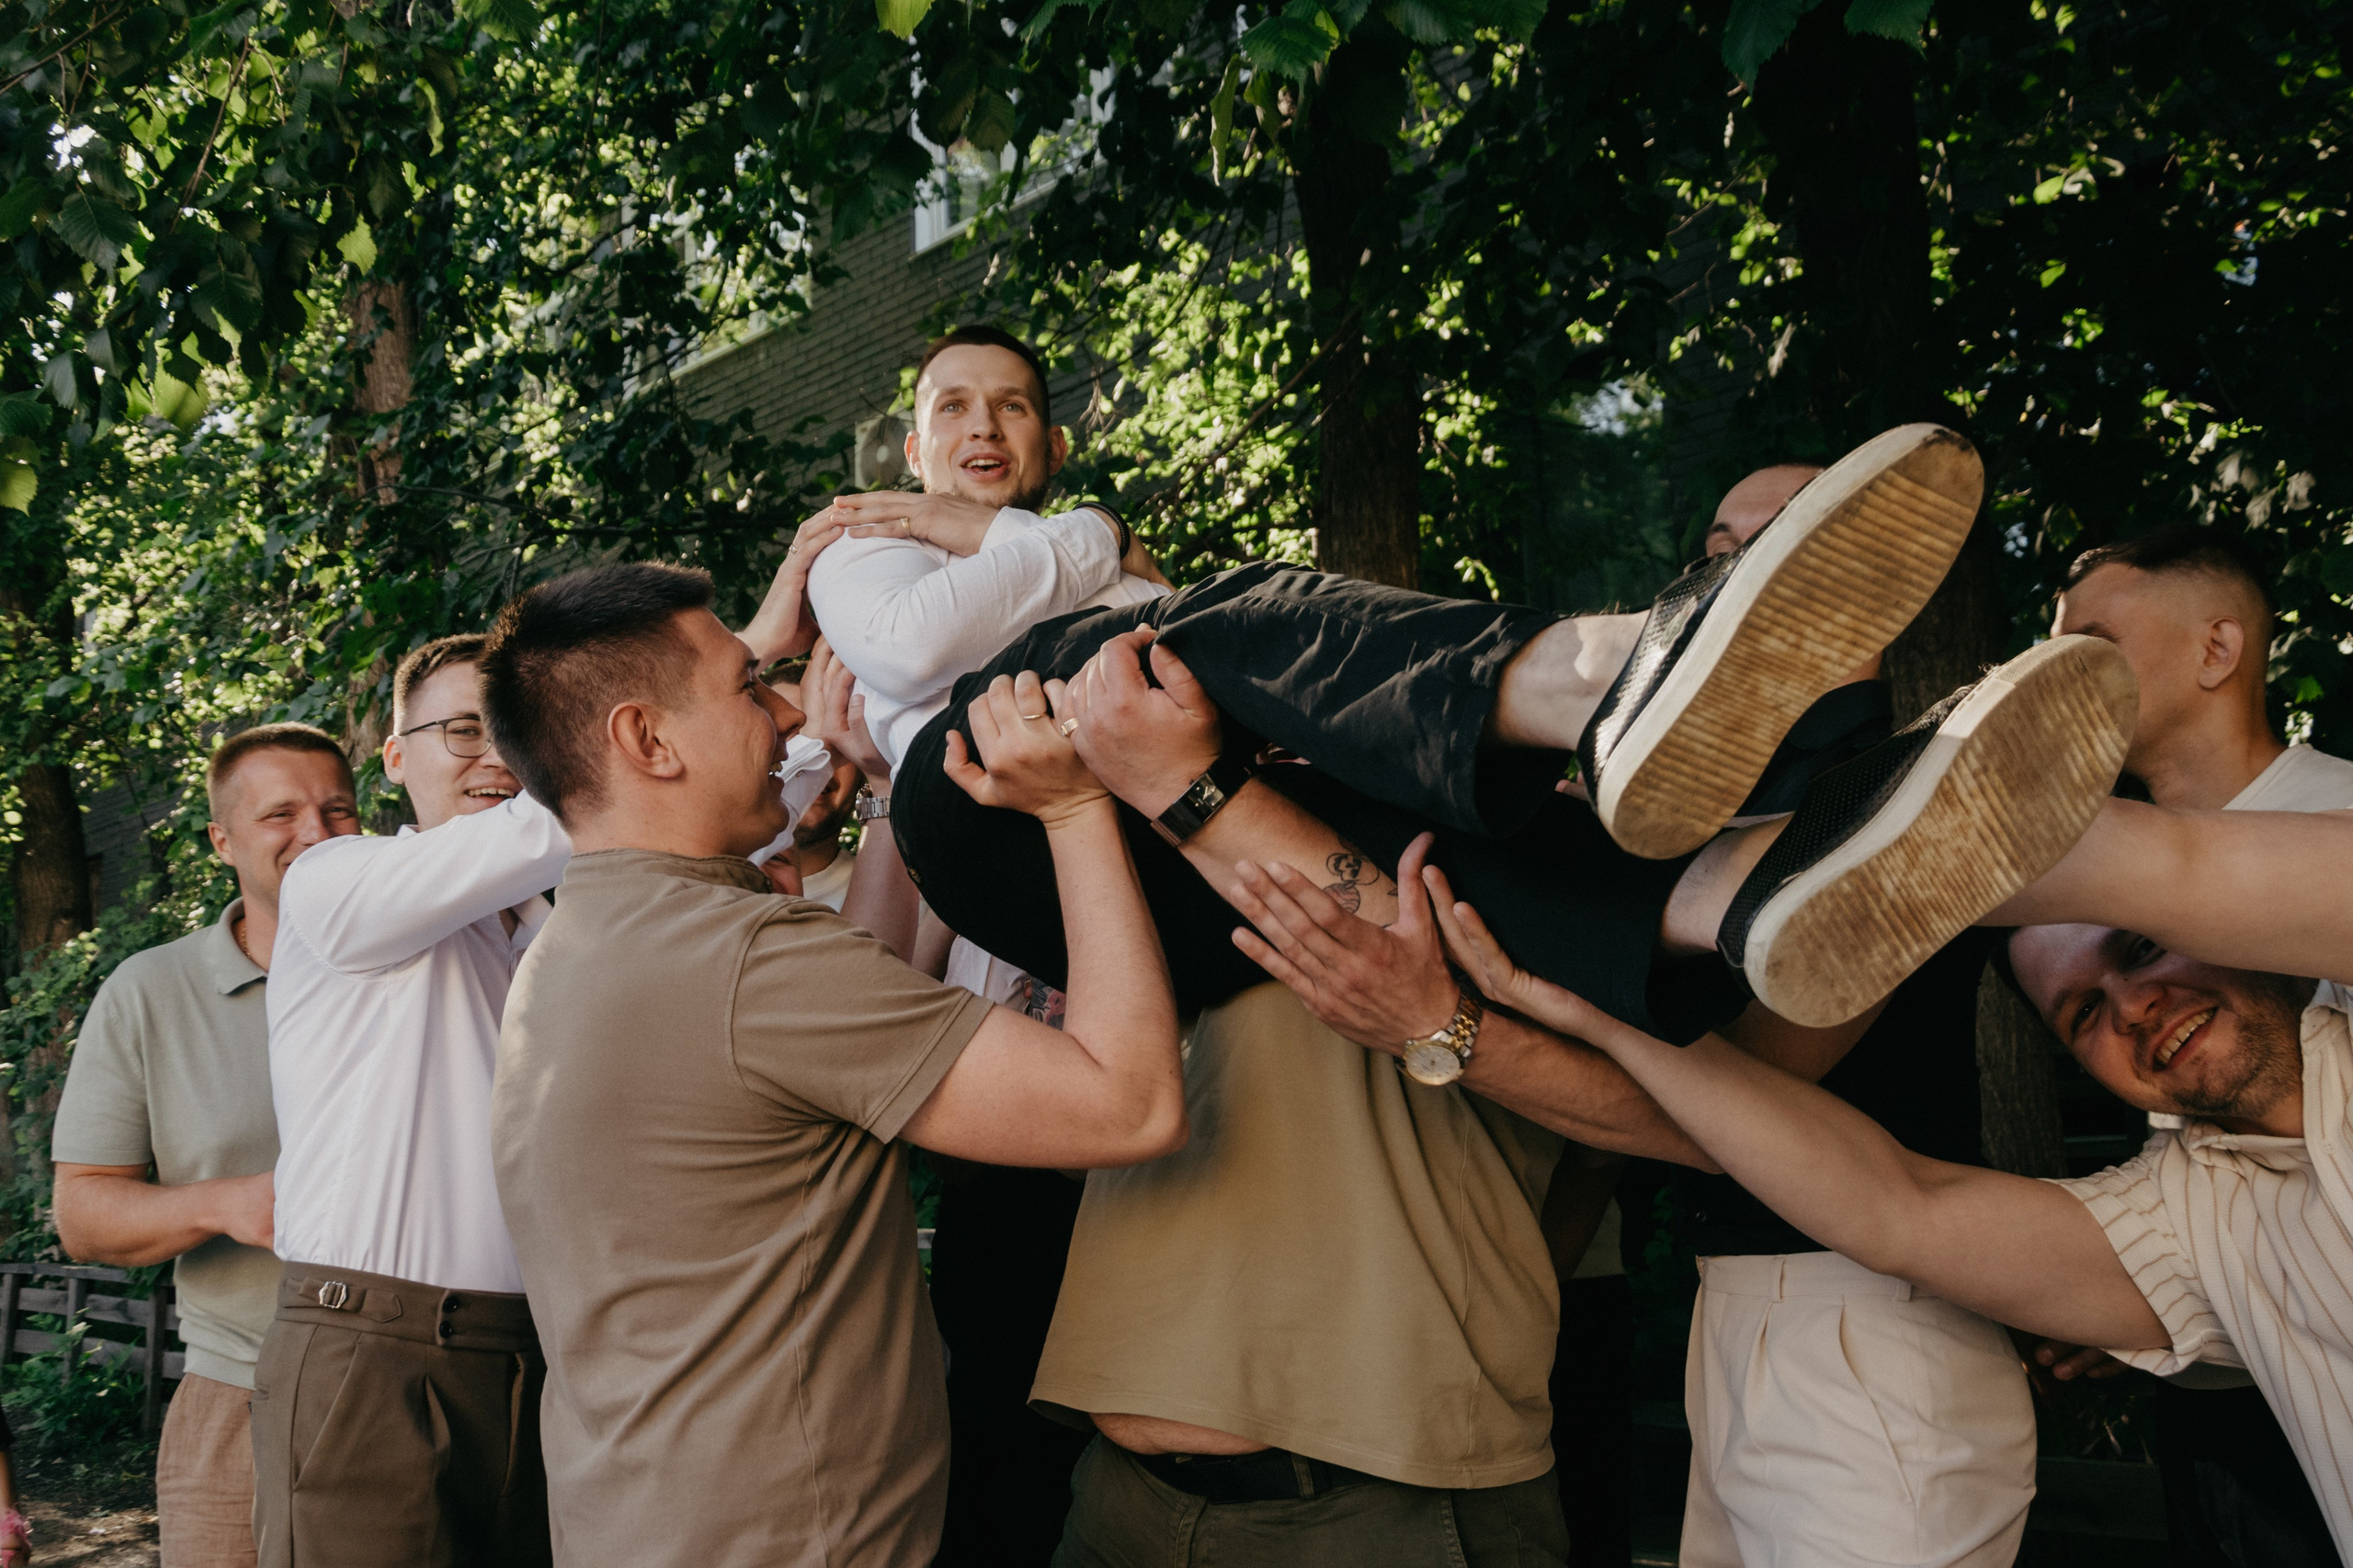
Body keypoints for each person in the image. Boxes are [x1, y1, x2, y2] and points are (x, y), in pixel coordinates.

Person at [1409, 793, 2353, 1561]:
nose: (2136, 1007)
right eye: (2081, 1015)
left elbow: (2188, 858)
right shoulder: (2188, 1217)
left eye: (2139, 948)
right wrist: (1598, 1016)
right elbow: (1896, 1202)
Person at [478, 562, 1184, 1568]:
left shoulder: (586, 940)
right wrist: (1073, 812)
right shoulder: (742, 961)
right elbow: (1130, 1105)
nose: (782, 711)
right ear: (647, 738)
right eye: (744, 684)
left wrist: (892, 791)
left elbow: (861, 1008)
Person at [1665, 466, 2030, 1568]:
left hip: (1865, 1323)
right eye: (1713, 545)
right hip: (1728, 1306)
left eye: (1764, 540)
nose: (1720, 571)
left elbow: (1764, 1071)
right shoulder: (1704, 799)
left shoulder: (1911, 781)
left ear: (1873, 576)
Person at [2042, 523, 2353, 1565]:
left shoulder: (2339, 815)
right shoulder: (2099, 896)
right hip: (2236, 1394)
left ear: (2217, 651)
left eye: (2094, 639)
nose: (2056, 670)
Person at [51, 724, 358, 1568]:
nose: (320, 835)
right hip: (238, 1396)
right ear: (222, 841)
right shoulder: (148, 992)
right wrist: (231, 1202)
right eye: (282, 814)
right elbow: (82, 1213)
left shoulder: (426, 964)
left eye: (339, 810)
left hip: (425, 1391)